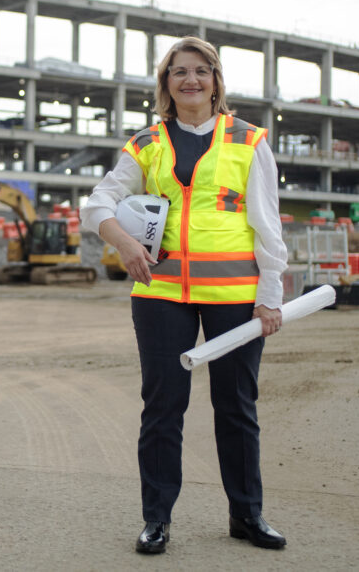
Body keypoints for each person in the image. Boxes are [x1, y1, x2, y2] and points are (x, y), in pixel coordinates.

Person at [80, 36, 288, 554]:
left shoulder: (248, 140)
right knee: (163, 407)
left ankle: (247, 515)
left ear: (217, 82)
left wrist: (270, 295)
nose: (191, 80)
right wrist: (125, 243)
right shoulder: (146, 144)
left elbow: (268, 226)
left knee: (236, 407)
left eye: (202, 71)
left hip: (236, 297)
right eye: (179, 72)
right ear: (165, 84)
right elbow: (97, 203)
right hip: (162, 295)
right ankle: (156, 520)